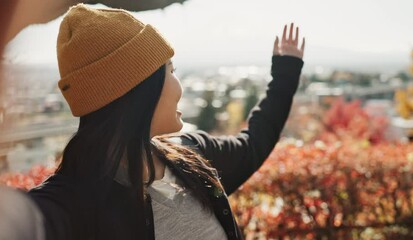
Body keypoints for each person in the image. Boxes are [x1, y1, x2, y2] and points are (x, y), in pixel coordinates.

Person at [27, 3, 305, 240]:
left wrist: (285, 74)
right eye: (170, 70)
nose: (179, 85)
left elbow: (253, 144)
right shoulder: (71, 204)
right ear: (137, 90)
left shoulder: (192, 158)